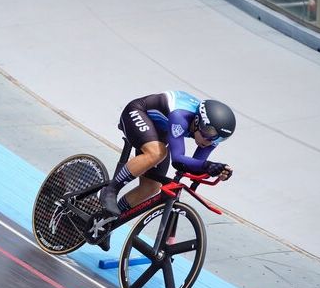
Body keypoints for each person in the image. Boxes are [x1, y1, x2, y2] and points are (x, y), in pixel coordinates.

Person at [100, 91, 236, 222]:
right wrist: (207, 165)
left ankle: (109, 219)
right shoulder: (180, 117)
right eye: (208, 133)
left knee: (151, 187)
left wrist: (217, 170)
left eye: (218, 139)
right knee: (157, 153)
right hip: (138, 111)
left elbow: (195, 165)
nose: (209, 142)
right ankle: (110, 190)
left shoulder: (211, 137)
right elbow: (178, 160)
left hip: (160, 129)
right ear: (197, 120)